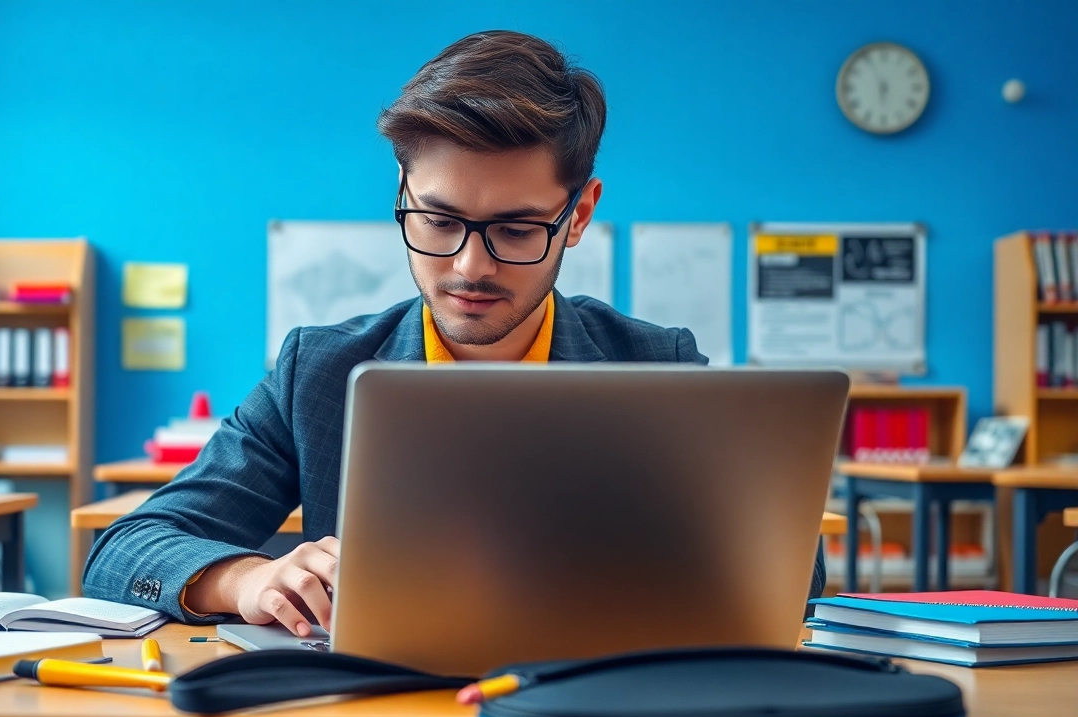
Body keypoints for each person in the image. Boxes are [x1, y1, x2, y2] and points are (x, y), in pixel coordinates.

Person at [84, 30, 825, 633]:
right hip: (379, 716)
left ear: (581, 214)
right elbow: (122, 552)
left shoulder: (658, 365)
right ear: (400, 193)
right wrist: (249, 578)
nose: (471, 266)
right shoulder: (320, 372)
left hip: (596, 711)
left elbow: (792, 577)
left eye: (515, 228)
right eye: (438, 221)